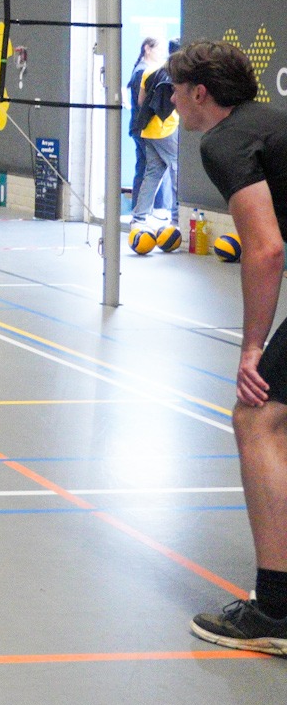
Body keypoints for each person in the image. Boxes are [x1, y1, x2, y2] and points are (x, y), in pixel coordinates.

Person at [165, 40, 287, 656]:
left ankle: (276, 613)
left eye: (176, 90)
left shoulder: (225, 141)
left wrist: (250, 349)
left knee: (257, 416)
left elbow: (265, 249)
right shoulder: (271, 124)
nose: (174, 102)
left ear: (200, 94)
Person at [134, 38, 179, 225]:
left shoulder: (150, 72)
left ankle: (139, 217)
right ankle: (177, 217)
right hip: (166, 128)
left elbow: (140, 102)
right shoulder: (176, 75)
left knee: (152, 174)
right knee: (177, 171)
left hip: (148, 131)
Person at [127, 38, 158, 208]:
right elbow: (143, 103)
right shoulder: (142, 72)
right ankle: (142, 210)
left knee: (143, 168)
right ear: (147, 48)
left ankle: (138, 208)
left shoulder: (140, 70)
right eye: (158, 50)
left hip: (138, 127)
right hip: (143, 128)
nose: (161, 54)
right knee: (150, 170)